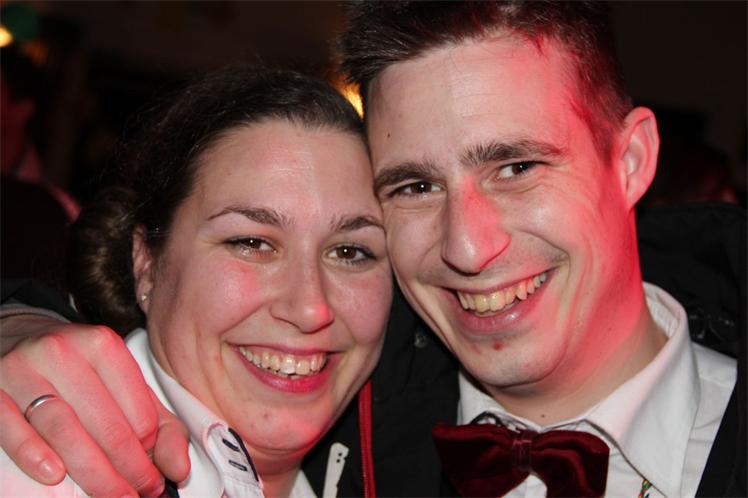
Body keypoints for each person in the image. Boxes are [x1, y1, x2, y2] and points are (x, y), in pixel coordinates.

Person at [1, 2, 745, 497]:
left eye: (517, 167)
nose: (468, 246)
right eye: (415, 186)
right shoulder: (350, 402)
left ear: (631, 160)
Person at [0, 64, 393, 497]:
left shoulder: (392, 456)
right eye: (251, 243)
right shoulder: (37, 472)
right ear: (146, 262)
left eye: (350, 252)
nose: (310, 308)